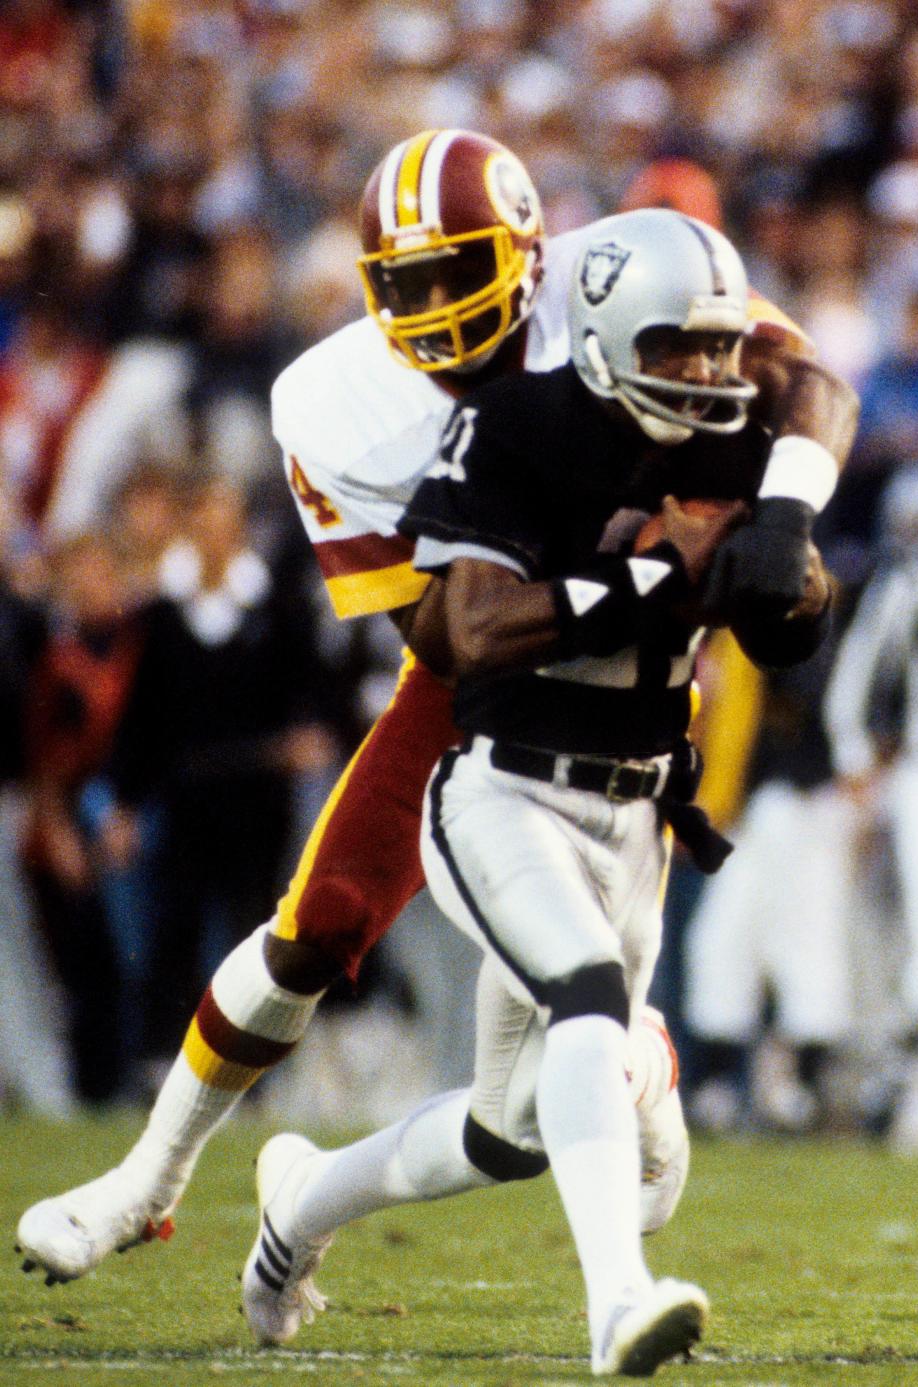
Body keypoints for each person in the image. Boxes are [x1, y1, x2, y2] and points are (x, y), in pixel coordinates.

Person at [17, 129, 857, 1286]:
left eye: (463, 274)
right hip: (499, 668)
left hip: (640, 681)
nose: (441, 311)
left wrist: (783, 516)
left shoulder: (603, 274)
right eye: (408, 286)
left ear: (530, 253)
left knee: (522, 1125)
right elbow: (445, 634)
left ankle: (357, 1177)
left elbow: (807, 383)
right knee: (314, 924)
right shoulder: (330, 399)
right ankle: (144, 1182)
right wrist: (648, 575)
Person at [238, 209, 835, 1376]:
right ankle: (619, 1300)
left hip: (636, 813)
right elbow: (473, 626)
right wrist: (658, 569)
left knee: (508, 1131)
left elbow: (790, 623)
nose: (709, 371)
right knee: (587, 998)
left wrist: (786, 564)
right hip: (506, 793)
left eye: (719, 347)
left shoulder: (733, 442)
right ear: (607, 335)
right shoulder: (516, 426)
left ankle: (299, 1206)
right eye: (680, 347)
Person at [824, 428, 918, 1154]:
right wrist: (852, 755)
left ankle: (917, 1080)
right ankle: (904, 1080)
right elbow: (858, 672)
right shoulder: (913, 580)